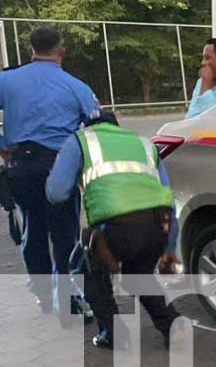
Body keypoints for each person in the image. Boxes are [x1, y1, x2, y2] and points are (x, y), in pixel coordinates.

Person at [0, 26, 100, 319]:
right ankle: (67, 300)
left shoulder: (8, 81)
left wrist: (1, 146)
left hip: (22, 165)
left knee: (34, 230)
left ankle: (43, 296)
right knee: (65, 233)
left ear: (31, 50)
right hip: (60, 168)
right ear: (61, 51)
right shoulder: (76, 86)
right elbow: (96, 123)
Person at [45, 111, 180, 349]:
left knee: (84, 270)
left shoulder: (80, 140)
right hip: (159, 224)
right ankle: (173, 326)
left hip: (115, 226)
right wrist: (169, 250)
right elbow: (167, 193)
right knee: (137, 276)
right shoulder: (143, 143)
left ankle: (114, 334)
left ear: (86, 126)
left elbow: (56, 192)